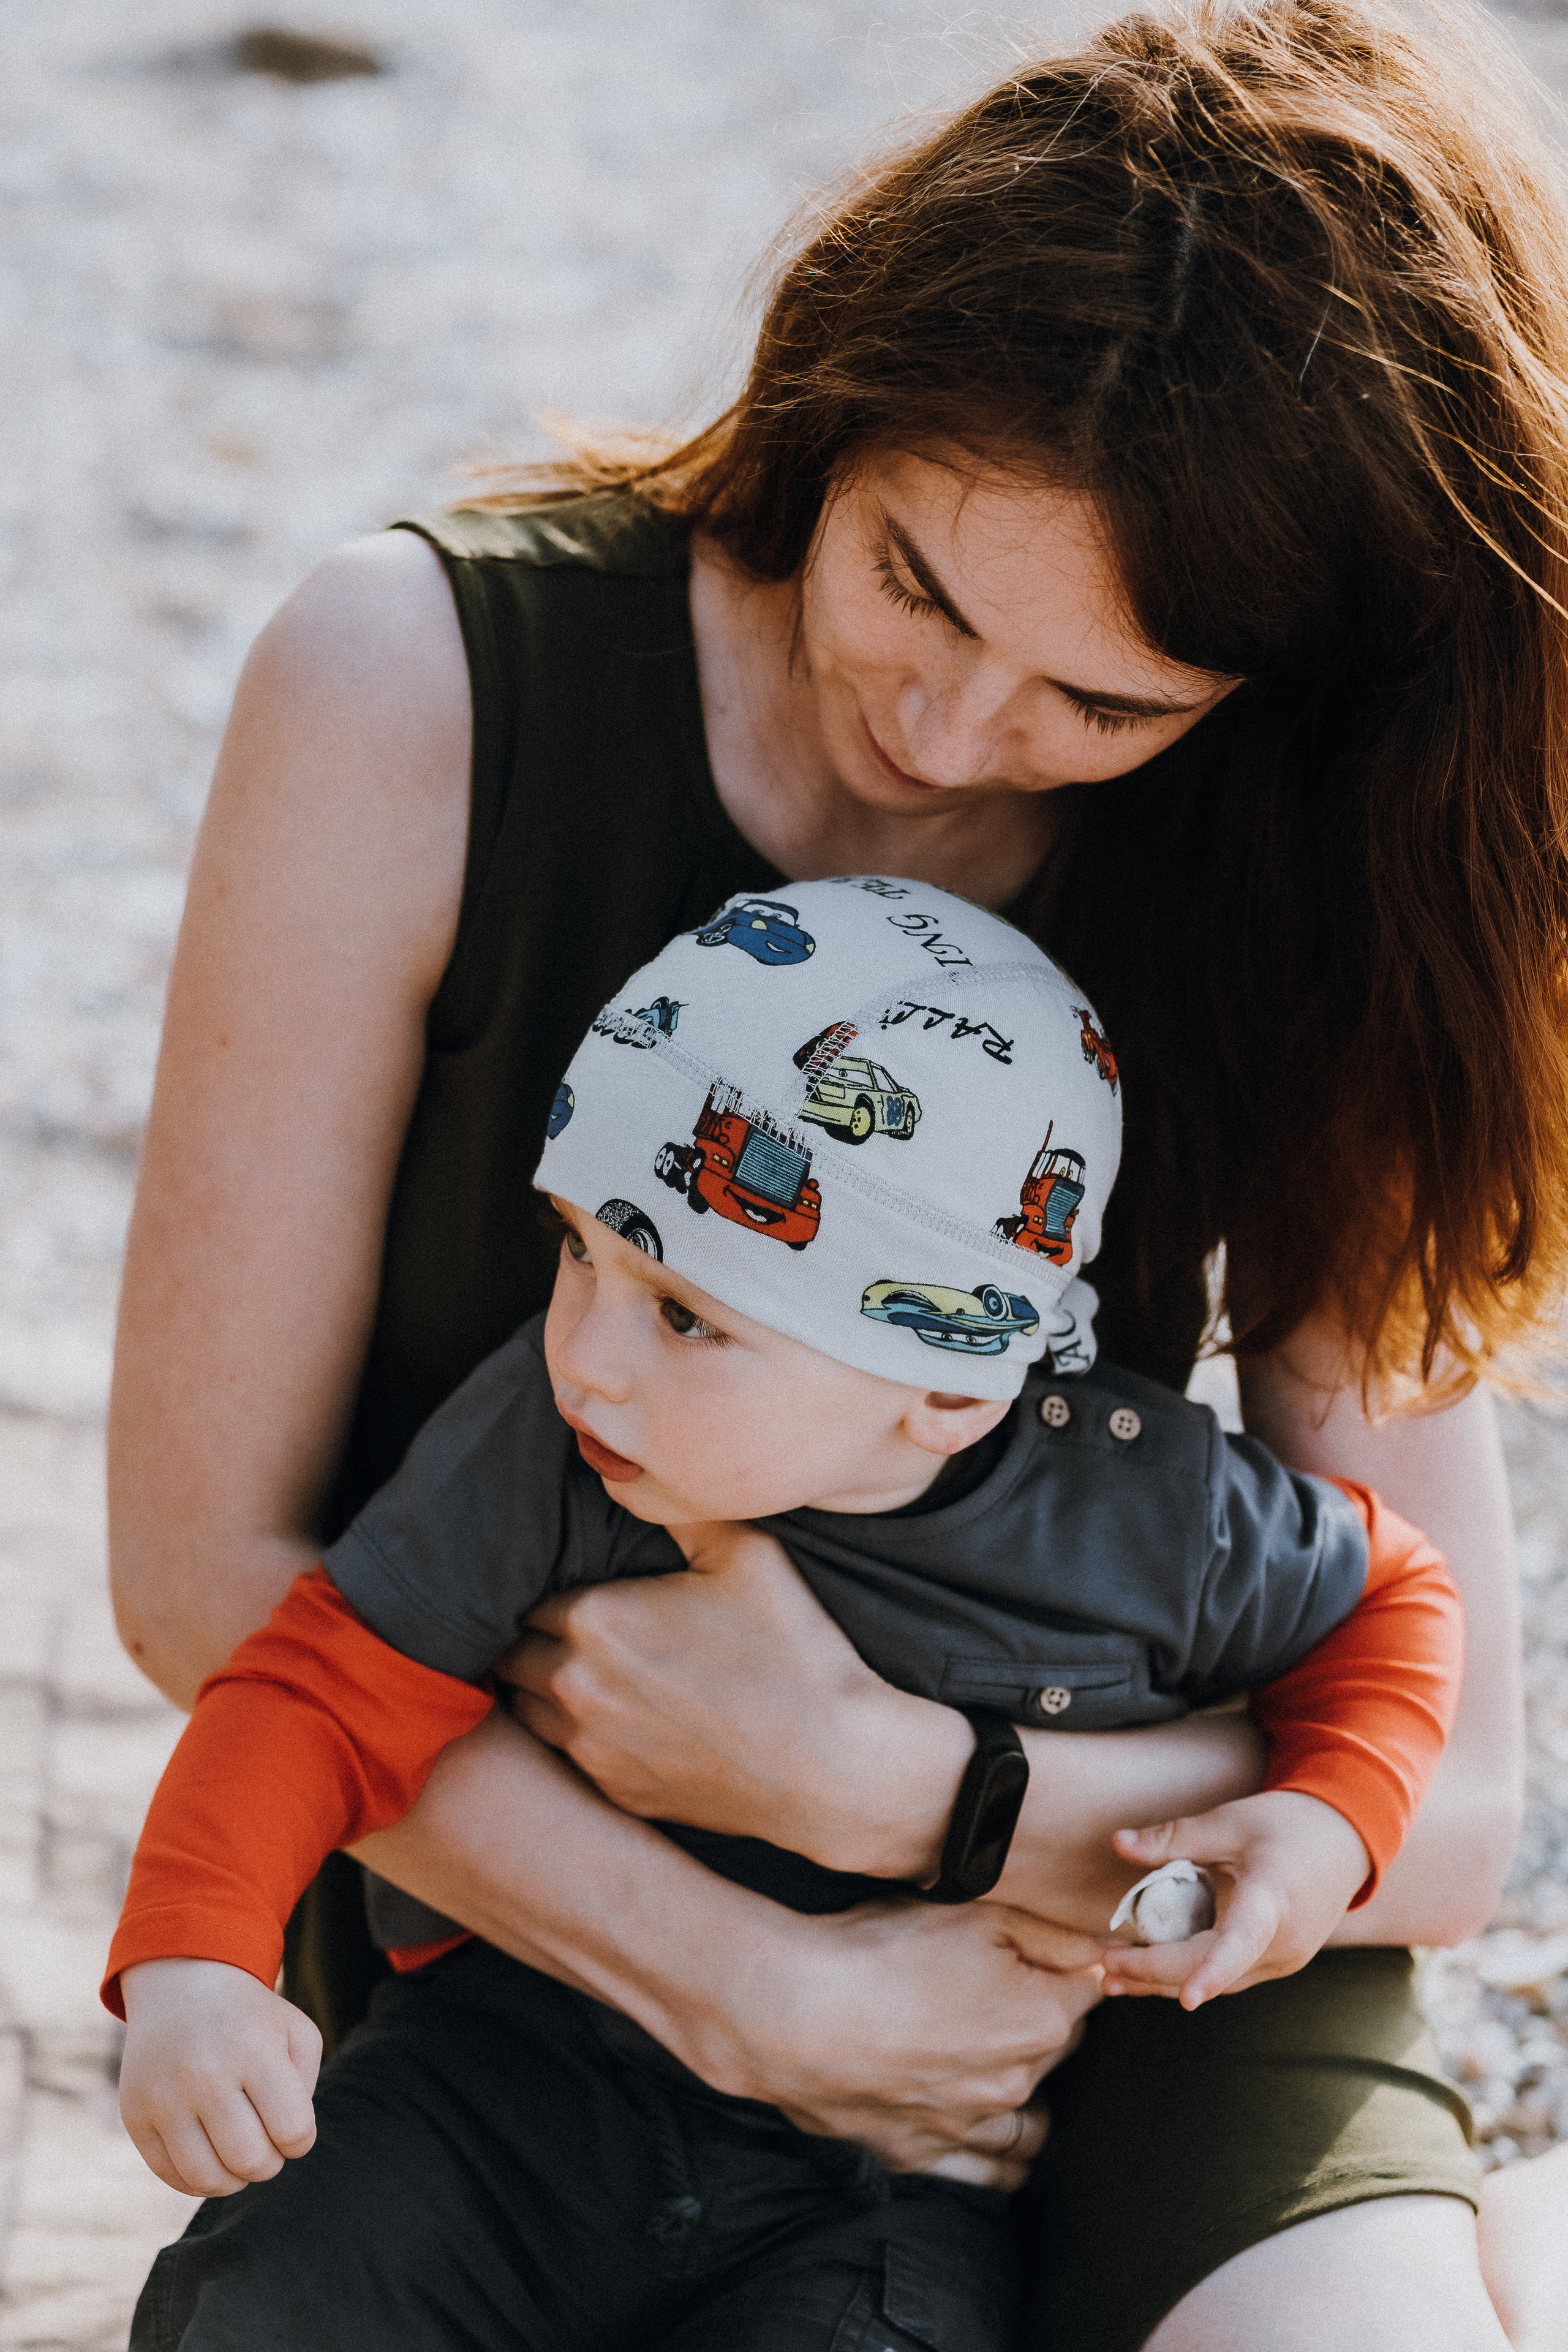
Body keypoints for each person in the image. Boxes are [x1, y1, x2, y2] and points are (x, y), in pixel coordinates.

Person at [106, 2, 1568, 2346]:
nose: (956, 732)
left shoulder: (1319, 862)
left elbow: (1456, 1806)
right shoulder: (411, 686)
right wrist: (756, 1985)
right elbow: (205, 1578)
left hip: (1129, 1959)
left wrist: (924, 1801)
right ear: (837, 389)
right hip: (535, 1949)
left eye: (1110, 705)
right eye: (917, 579)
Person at [107, 886, 1463, 2330]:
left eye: (687, 1314)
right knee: (277, 2280)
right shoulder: (547, 1440)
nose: (585, 1355)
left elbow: (1390, 1593)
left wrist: (1330, 1817)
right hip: (502, 2081)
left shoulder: (1151, 1513)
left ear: (945, 1381)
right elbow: (319, 1688)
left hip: (886, 2176)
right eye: (580, 1247)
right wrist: (197, 1959)